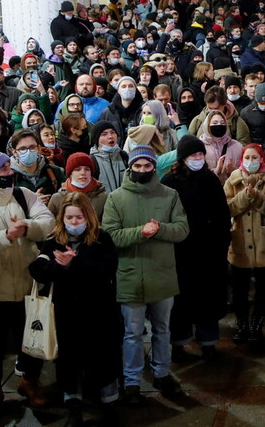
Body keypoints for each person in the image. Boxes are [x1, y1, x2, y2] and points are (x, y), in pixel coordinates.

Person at [0, 151, 56, 418]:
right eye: (3, 167)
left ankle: (29, 382)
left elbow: (48, 222)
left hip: (28, 284)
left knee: (33, 340)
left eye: (9, 165)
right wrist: (5, 236)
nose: (9, 170)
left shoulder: (24, 195)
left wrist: (27, 227)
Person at [102, 144, 189, 406]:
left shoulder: (170, 195)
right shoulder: (116, 198)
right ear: (130, 168)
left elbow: (182, 229)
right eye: (137, 166)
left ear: (154, 166)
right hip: (130, 275)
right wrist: (141, 232)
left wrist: (160, 228)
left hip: (162, 273)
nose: (142, 170)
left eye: (147, 165)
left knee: (162, 329)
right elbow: (110, 236)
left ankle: (162, 372)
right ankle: (131, 381)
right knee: (132, 332)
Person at [29, 193, 120, 426]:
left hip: (98, 311)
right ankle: (73, 405)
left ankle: (109, 403)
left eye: (79, 217)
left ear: (88, 217)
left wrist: (74, 263)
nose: (75, 221)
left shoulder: (102, 239)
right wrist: (56, 266)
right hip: (67, 312)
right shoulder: (54, 240)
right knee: (69, 361)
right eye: (70, 217)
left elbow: (107, 270)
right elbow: (38, 269)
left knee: (103, 358)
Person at [161, 136, 231, 361]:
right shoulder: (170, 181)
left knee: (208, 299)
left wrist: (222, 241)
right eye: (194, 156)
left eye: (201, 155)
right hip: (182, 251)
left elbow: (222, 213)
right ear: (183, 158)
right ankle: (179, 344)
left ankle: (208, 342)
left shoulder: (210, 179)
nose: (198, 159)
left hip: (209, 251)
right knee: (180, 302)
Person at [225, 143, 265, 343]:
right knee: (240, 288)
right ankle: (242, 324)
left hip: (263, 242)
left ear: (262, 160)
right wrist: (243, 197)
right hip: (239, 241)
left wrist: (255, 197)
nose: (250, 162)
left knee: (263, 287)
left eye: (254, 158)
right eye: (247, 158)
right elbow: (227, 208)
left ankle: (257, 324)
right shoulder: (233, 180)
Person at [48, 152, 108, 220]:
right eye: (77, 169)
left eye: (87, 169)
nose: (83, 173)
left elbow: (107, 223)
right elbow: (50, 224)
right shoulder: (57, 198)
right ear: (70, 174)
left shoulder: (103, 197)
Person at [90, 121, 128, 193]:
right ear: (97, 139)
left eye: (113, 132)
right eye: (104, 134)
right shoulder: (92, 160)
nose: (110, 136)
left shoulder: (123, 155)